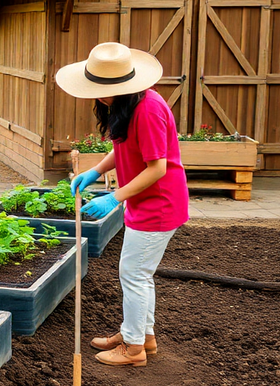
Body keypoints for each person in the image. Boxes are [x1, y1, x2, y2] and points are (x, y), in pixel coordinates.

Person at [62, 42, 189, 368]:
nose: (99, 96)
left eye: (104, 90)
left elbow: (157, 168)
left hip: (159, 204)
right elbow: (123, 149)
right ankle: (142, 336)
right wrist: (95, 170)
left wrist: (114, 197)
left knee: (133, 274)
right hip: (144, 202)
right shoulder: (127, 105)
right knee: (139, 275)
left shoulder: (148, 110)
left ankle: (133, 349)